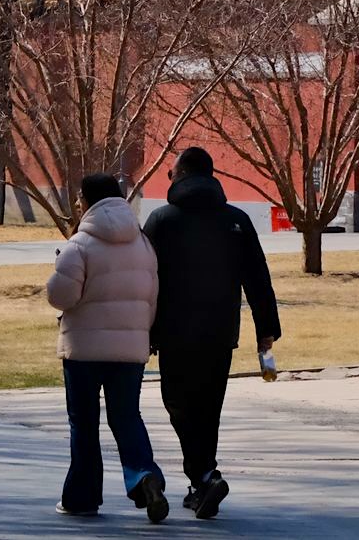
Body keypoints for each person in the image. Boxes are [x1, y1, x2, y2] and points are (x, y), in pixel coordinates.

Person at [141, 147, 281, 520]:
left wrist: (142, 329)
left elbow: (143, 279)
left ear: (181, 175)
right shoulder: (235, 220)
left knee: (179, 406)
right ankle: (204, 478)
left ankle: (203, 475)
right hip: (220, 332)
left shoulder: (162, 220)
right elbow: (258, 277)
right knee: (208, 407)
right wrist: (266, 331)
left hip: (173, 332)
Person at [45, 173, 169, 522]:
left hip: (83, 349)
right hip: (130, 349)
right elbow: (152, 297)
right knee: (127, 417)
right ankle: (144, 476)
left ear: (86, 200)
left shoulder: (80, 244)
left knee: (84, 424)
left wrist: (56, 270)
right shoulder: (142, 243)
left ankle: (82, 497)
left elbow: (61, 296)